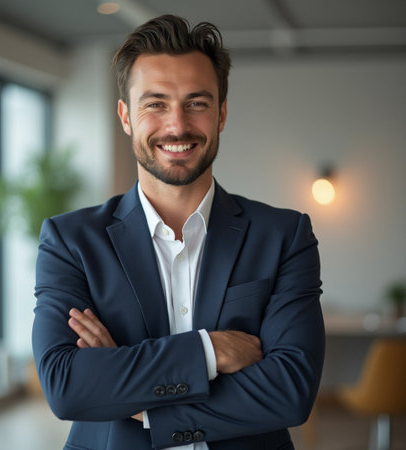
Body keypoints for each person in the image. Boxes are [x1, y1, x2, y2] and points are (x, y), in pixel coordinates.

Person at [32, 14, 325, 450]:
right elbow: (66, 384)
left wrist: (135, 396)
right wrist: (209, 350)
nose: (177, 125)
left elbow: (290, 391)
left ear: (221, 113)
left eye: (197, 102)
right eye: (155, 103)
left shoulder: (284, 235)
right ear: (125, 116)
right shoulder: (70, 241)